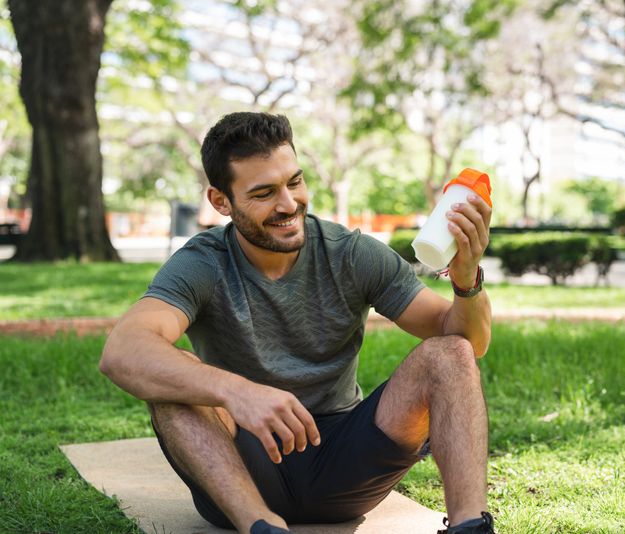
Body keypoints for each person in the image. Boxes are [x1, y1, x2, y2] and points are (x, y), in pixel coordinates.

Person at [99, 112, 495, 534]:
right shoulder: (202, 263)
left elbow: (468, 342)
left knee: (448, 353)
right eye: (264, 192)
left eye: (294, 182)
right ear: (220, 201)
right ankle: (263, 527)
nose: (288, 204)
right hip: (243, 472)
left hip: (344, 463)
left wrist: (467, 278)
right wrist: (237, 392)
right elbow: (123, 352)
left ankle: (470, 527)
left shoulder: (352, 253)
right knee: (172, 386)